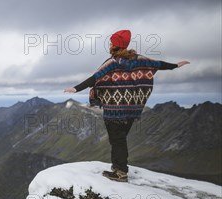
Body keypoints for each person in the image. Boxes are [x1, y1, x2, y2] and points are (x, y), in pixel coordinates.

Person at [64, 29, 189, 182]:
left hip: (114, 110)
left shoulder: (113, 62)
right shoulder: (140, 60)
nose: (110, 44)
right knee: (120, 138)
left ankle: (121, 172)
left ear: (115, 45)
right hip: (132, 109)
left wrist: (76, 88)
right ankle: (117, 167)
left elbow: (95, 78)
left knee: (117, 140)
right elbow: (158, 64)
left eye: (111, 42)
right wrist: (175, 65)